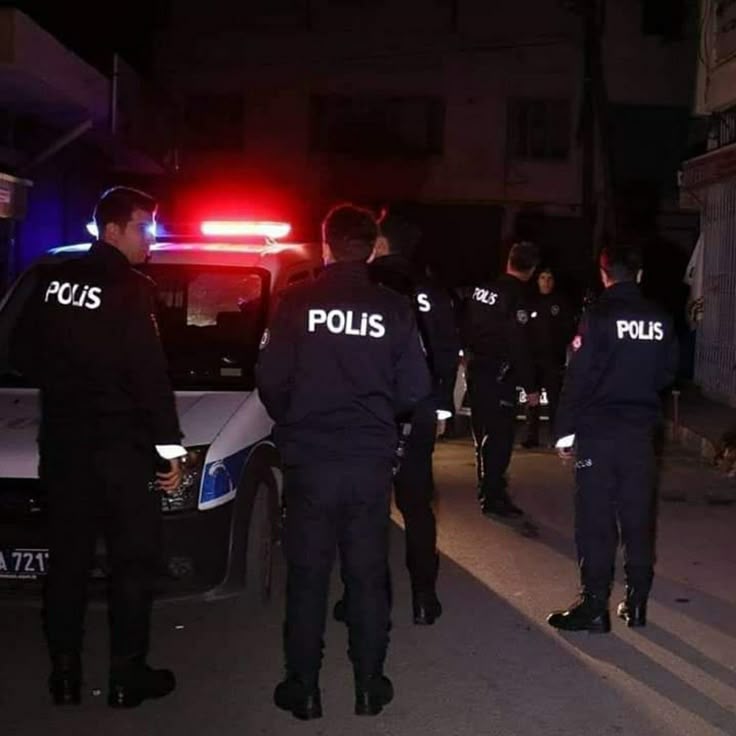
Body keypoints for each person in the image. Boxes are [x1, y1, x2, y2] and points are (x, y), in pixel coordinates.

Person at [9, 187, 185, 708]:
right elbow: (150, 376)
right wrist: (170, 450)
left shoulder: (51, 280)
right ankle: (126, 678)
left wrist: (67, 382)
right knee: (132, 563)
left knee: (67, 563)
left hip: (65, 447)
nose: (151, 239)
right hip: (121, 452)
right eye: (144, 228)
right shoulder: (131, 288)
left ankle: (64, 677)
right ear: (113, 230)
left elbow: (19, 351)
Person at [256, 204, 431, 720]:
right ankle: (369, 686)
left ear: (325, 245)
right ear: (373, 248)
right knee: (367, 574)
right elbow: (416, 387)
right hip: (368, 460)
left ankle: (304, 689)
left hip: (310, 460)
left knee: (308, 577)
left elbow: (270, 379)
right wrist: (378, 417)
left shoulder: (294, 301)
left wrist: (298, 420)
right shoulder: (394, 308)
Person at [336, 213, 459, 625]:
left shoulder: (364, 286)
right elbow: (447, 351)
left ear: (380, 245)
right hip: (417, 409)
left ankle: (360, 597)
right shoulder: (432, 290)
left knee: (364, 507)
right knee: (417, 505)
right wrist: (440, 407)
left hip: (366, 412)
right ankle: (425, 598)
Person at [547, 245, 677, 633]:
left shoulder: (598, 315)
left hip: (599, 431)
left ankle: (594, 605)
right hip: (641, 431)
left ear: (604, 275)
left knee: (595, 519)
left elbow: (578, 376)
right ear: (639, 274)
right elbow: (667, 372)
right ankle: (636, 603)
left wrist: (564, 432)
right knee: (638, 517)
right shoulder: (659, 317)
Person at [461, 241, 540, 518]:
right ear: (532, 269)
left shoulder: (482, 290)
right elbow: (519, 344)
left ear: (509, 261)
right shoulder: (517, 297)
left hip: (476, 368)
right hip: (499, 375)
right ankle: (493, 495)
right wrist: (531, 387)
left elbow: (465, 326)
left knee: (481, 432)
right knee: (499, 437)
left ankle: (486, 486)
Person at [521, 266, 576, 449]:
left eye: (549, 278)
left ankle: (556, 436)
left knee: (555, 401)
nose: (546, 282)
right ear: (537, 280)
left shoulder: (561, 303)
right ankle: (531, 436)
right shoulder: (529, 301)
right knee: (532, 400)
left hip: (553, 360)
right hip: (533, 360)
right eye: (543, 278)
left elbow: (569, 330)